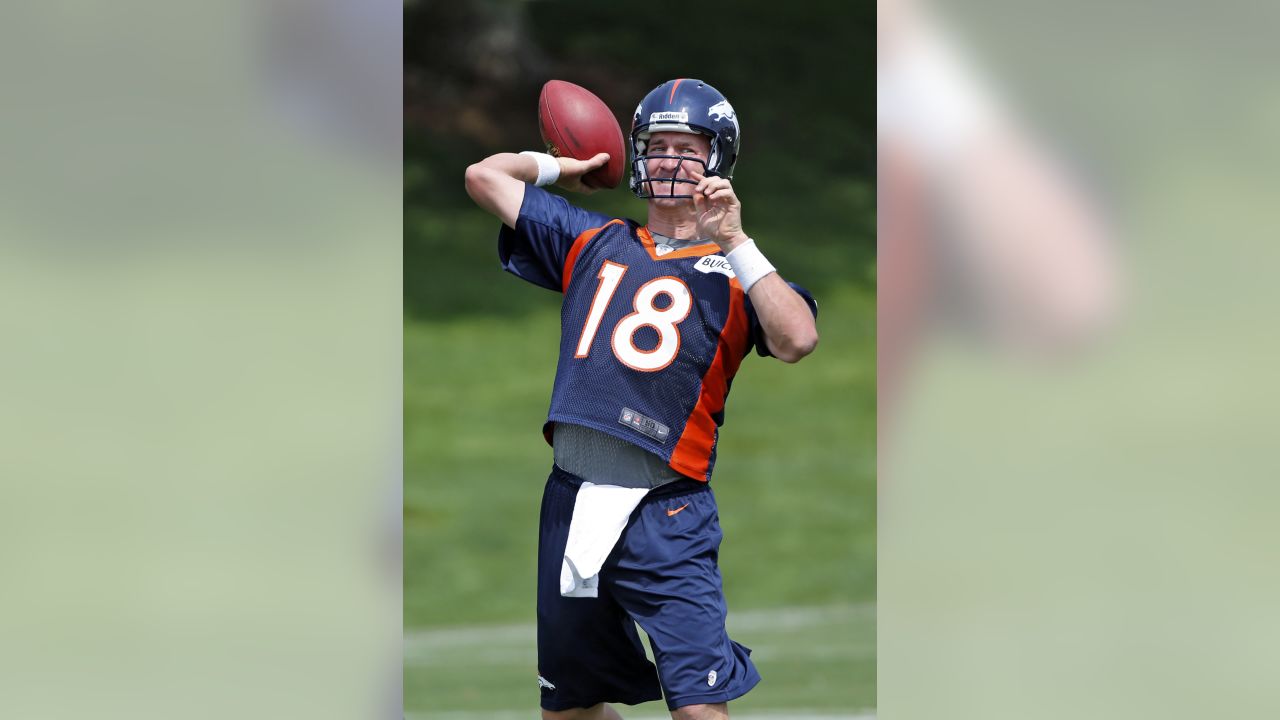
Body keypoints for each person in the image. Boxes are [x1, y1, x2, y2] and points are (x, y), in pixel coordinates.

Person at [464, 78, 819, 720]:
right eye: (656, 146)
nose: (669, 160)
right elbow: (484, 176)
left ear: (718, 160)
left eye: (688, 147)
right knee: (571, 711)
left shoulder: (738, 272)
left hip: (666, 513)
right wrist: (564, 165)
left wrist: (736, 239)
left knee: (697, 709)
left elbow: (797, 337)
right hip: (572, 498)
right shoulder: (592, 240)